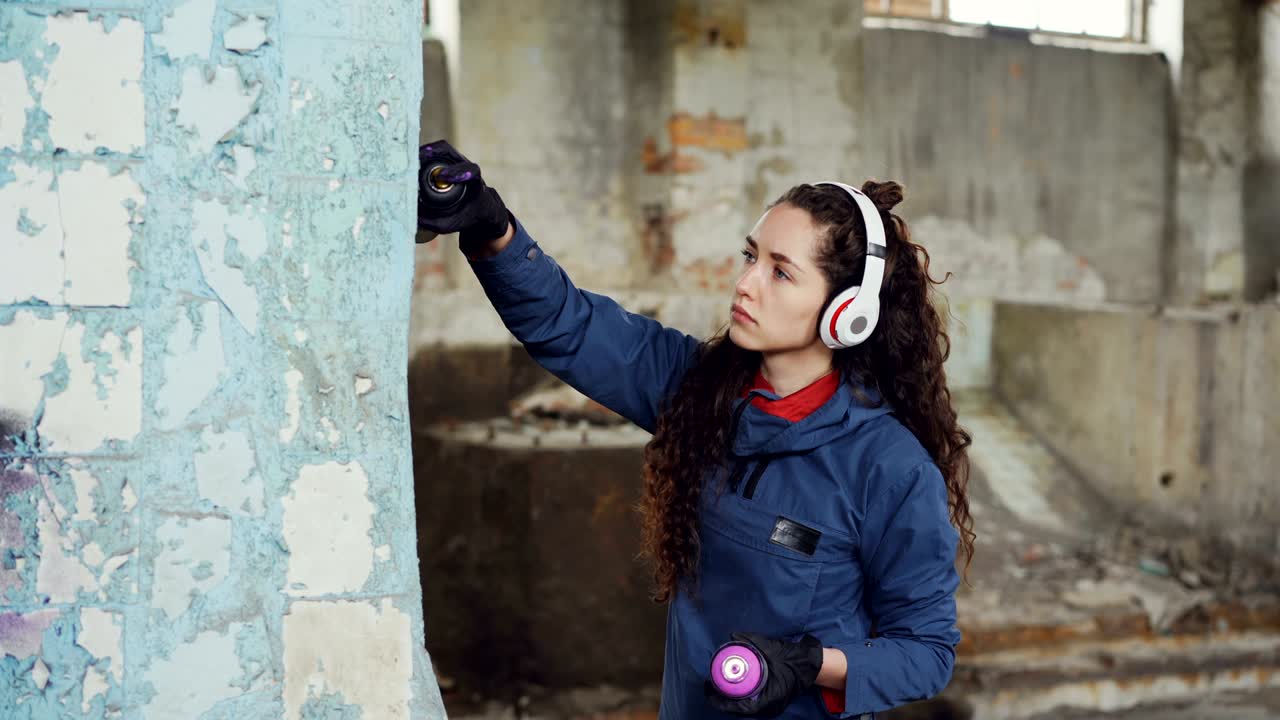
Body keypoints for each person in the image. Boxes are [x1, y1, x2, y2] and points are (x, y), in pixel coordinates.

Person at [416, 140, 975, 719]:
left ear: (846, 313)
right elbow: (570, 326)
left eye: (781, 273)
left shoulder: (889, 469)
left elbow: (927, 652)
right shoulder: (698, 391)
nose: (746, 283)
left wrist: (811, 664)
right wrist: (490, 225)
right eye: (750, 256)